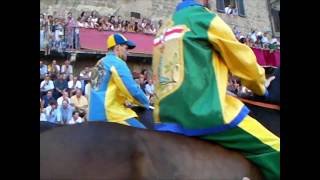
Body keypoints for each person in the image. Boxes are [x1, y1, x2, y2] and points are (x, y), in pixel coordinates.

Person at [152, 0, 280, 179]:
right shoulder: (205, 19)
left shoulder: (164, 28)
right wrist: (261, 87)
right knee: (276, 149)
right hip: (205, 113)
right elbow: (242, 61)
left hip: (165, 118)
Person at [88, 33, 149, 128]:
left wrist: (124, 100)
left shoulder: (99, 62)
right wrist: (146, 103)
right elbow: (132, 90)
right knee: (146, 136)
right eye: (126, 48)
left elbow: (105, 88)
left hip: (92, 115)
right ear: (117, 48)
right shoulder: (118, 63)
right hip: (110, 114)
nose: (128, 52)